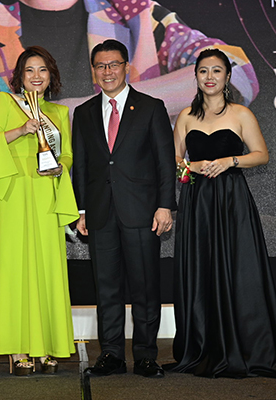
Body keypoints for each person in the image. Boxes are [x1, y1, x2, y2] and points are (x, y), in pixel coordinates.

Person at [0, 0, 259, 121]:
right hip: (16, 197)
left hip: (117, 195)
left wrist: (106, 105)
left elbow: (236, 71)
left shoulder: (136, 14)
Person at [172, 48, 276, 378]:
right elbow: (174, 162)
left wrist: (229, 161)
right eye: (203, 71)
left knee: (239, 269)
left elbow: (261, 154)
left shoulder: (241, 114)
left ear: (227, 77)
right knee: (201, 269)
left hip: (231, 200)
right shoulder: (185, 116)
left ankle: (247, 346)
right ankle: (203, 345)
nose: (209, 77)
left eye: (216, 71)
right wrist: (192, 167)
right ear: (196, 76)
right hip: (198, 202)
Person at [72, 39, 176, 378]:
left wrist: (165, 205)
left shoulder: (151, 107)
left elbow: (164, 162)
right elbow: (81, 166)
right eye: (100, 66)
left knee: (145, 287)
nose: (108, 71)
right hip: (100, 213)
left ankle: (145, 355)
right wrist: (82, 210)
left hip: (142, 212)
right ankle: (112, 354)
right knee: (106, 288)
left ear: (126, 67)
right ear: (93, 71)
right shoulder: (84, 112)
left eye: (114, 64)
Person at [0, 46, 79, 375]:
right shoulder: (5, 102)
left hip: (46, 194)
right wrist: (21, 130)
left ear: (51, 76)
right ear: (19, 76)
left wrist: (61, 168)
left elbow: (68, 155)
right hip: (16, 194)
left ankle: (47, 345)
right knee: (16, 269)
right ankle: (19, 348)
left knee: (47, 269)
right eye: (29, 70)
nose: (36, 76)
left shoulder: (59, 112)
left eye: (43, 70)